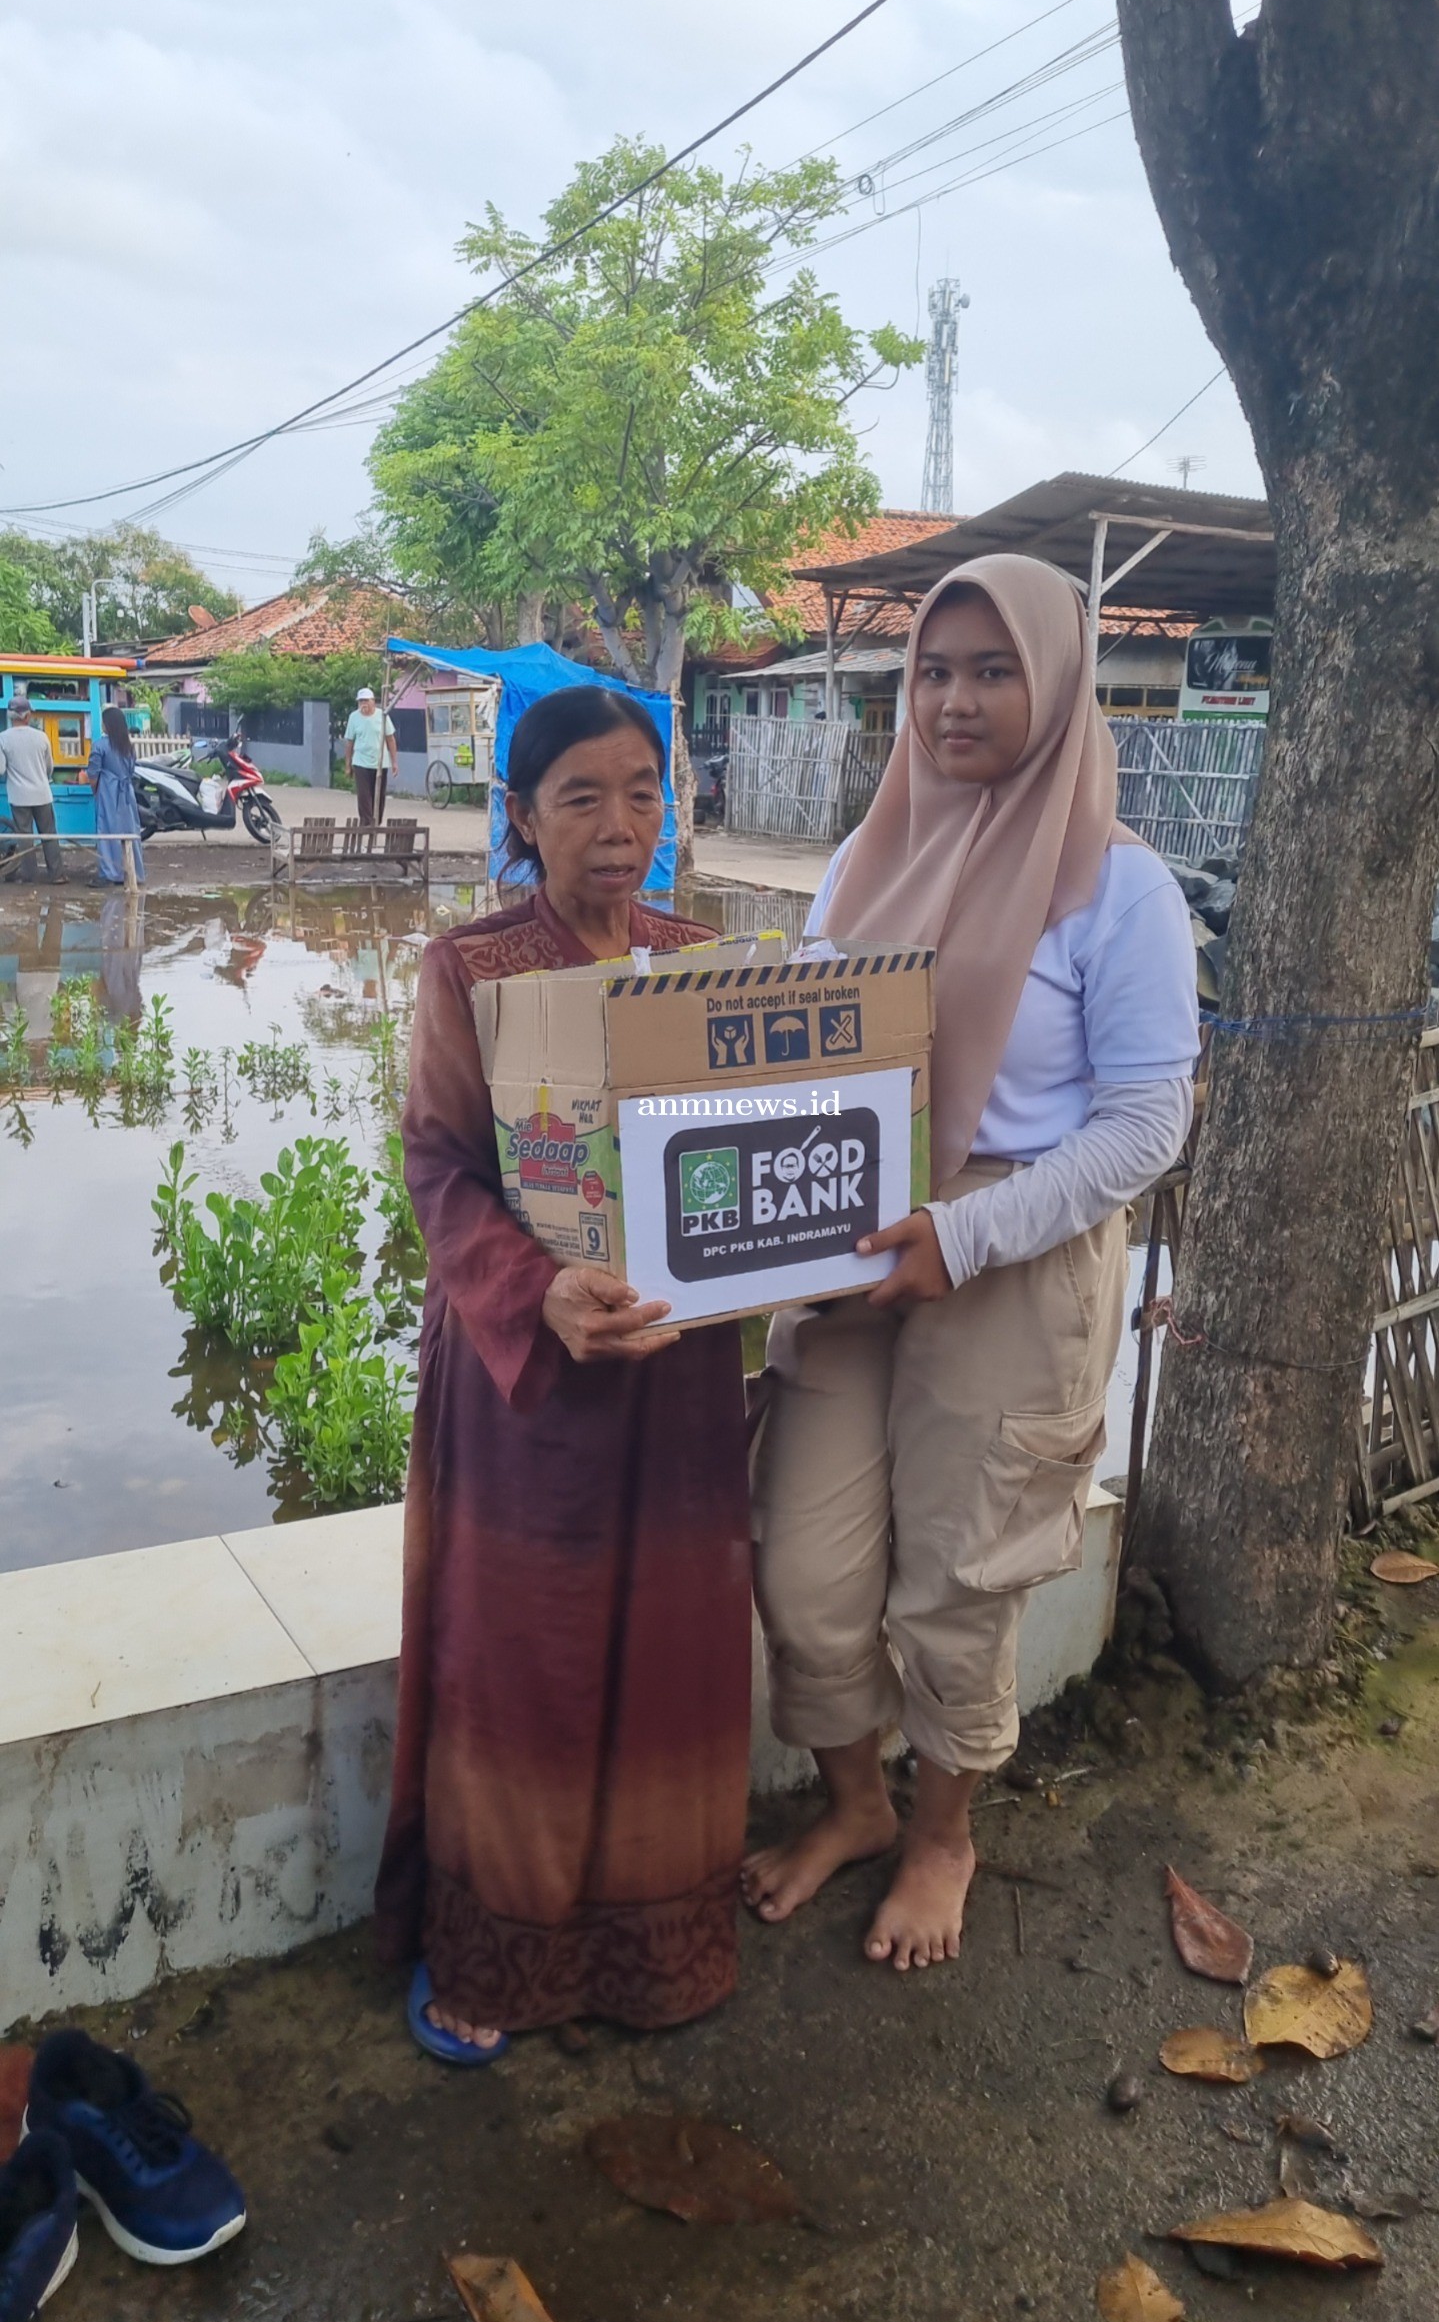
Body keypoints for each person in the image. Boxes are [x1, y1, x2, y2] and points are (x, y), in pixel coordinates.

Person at [742, 553, 1199, 1973]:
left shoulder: (1118, 890)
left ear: (1056, 682)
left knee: (957, 1572)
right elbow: (808, 1043)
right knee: (804, 1567)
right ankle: (855, 1803)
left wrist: (963, 1232)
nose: (952, 699)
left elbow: (1145, 1125)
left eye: (991, 668)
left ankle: (941, 1831)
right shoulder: (865, 854)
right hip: (857, 1232)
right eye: (930, 670)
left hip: (1014, 1247)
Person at [375, 685, 752, 2060]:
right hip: (528, 1374)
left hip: (679, 1370)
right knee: (517, 1657)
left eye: (643, 791)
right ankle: (500, 1954)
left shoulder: (701, 959)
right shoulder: (468, 969)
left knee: (673, 1650)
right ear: (520, 816)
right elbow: (437, 1165)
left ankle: (660, 1947)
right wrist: (541, 1290)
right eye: (581, 795)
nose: (618, 825)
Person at [0, 696, 62, 883]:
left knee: (24, 836)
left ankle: (29, 876)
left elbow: (1, 769)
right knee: (48, 834)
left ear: (11, 717)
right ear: (27, 716)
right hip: (42, 793)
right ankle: (57, 875)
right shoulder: (41, 737)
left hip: (19, 797)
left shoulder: (2, 738)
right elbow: (49, 767)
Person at [87, 706, 146, 888]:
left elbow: (93, 775)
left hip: (108, 791)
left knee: (107, 831)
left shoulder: (99, 746)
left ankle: (109, 873)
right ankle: (132, 871)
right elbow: (132, 769)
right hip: (126, 793)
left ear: (108, 725)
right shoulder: (128, 746)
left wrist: (96, 791)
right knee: (129, 831)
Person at [344, 687, 398, 826]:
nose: (364, 704)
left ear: (373, 701)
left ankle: (376, 821)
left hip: (380, 762)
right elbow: (350, 742)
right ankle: (366, 822)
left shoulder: (383, 716)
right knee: (363, 795)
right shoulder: (354, 717)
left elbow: (390, 739)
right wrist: (348, 765)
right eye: (361, 701)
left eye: (366, 701)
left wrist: (394, 762)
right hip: (361, 761)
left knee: (378, 795)